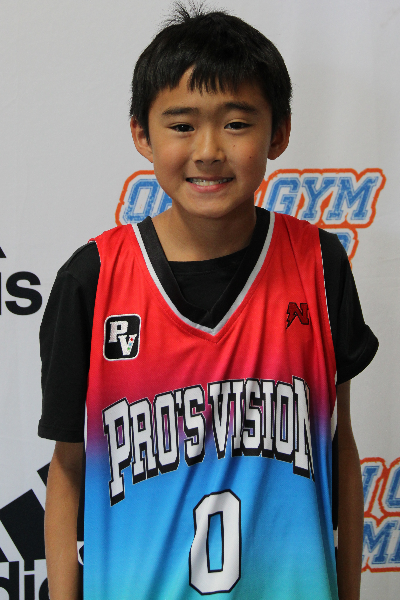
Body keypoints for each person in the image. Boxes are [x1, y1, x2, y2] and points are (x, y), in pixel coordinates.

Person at [38, 4, 378, 600]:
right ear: (142, 135)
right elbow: (68, 470)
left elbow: (338, 443)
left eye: (237, 123)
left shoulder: (319, 264)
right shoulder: (93, 279)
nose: (209, 150)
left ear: (279, 133)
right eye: (182, 125)